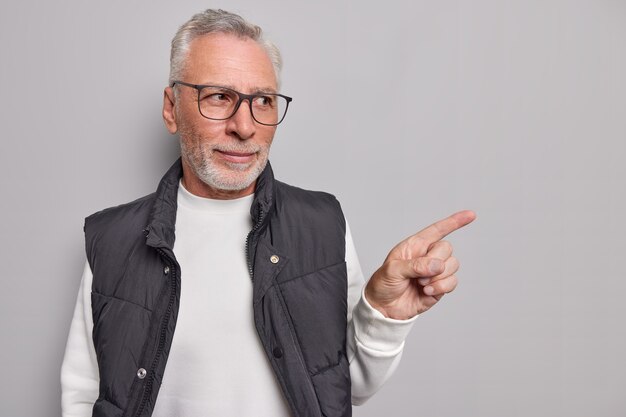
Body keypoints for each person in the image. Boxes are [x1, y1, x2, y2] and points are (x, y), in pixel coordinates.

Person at [61, 9, 475, 417]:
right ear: (172, 108)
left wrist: (384, 315)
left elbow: (348, 388)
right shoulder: (112, 238)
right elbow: (83, 394)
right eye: (219, 97)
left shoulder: (321, 223)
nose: (245, 126)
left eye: (263, 100)